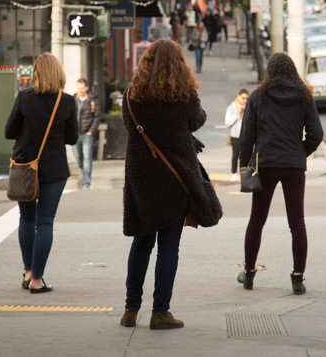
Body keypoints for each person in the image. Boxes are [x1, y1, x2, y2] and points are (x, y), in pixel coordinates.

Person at [120, 38, 207, 330]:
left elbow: (128, 126)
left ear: (146, 62)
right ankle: (160, 312)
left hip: (141, 178)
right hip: (175, 178)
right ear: (179, 64)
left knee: (142, 242)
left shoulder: (132, 95)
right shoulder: (184, 95)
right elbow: (197, 121)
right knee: (169, 245)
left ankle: (131, 309)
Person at [238, 53, 324, 294]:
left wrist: (244, 165)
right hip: (293, 166)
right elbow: (316, 134)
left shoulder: (258, 97)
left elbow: (246, 136)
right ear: (292, 70)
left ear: (270, 71)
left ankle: (248, 274)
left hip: (266, 164)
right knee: (297, 222)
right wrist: (300, 152)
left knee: (257, 220)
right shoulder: (304, 96)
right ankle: (298, 278)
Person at [5, 53, 78, 293]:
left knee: (26, 219)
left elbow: (9, 131)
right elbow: (72, 138)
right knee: (45, 222)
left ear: (35, 73)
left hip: (26, 167)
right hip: (54, 169)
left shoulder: (24, 98)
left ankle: (27, 271)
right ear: (58, 73)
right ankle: (37, 279)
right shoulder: (66, 101)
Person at [74, 78, 99, 190]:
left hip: (87, 134)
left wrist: (91, 131)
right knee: (79, 159)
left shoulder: (92, 100)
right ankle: (83, 175)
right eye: (78, 87)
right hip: (75, 134)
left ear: (86, 88)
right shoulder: (72, 100)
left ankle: (86, 183)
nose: (80, 90)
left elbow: (97, 116)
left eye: (82, 87)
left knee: (87, 158)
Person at [225, 89, 249, 182]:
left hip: (246, 135)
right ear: (238, 97)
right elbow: (227, 122)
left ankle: (244, 175)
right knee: (235, 155)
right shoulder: (232, 107)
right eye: (243, 98)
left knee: (245, 156)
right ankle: (234, 173)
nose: (245, 100)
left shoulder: (249, 107)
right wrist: (237, 114)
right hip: (235, 135)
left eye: (247, 98)